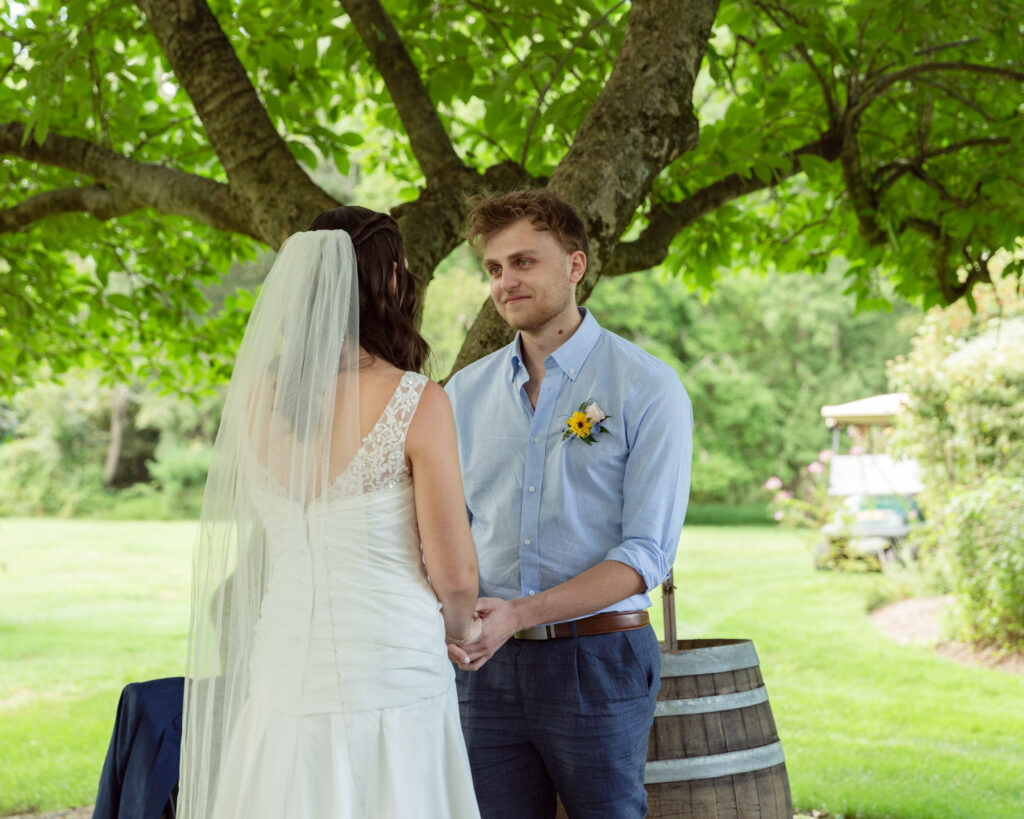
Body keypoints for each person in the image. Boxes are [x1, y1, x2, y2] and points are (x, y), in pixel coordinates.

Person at [178, 206, 482, 818]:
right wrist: (461, 632)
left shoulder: (257, 398)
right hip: (392, 661)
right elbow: (455, 576)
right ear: (386, 280)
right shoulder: (416, 399)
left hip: (286, 656)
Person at [445, 190, 693, 818]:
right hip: (483, 669)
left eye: (524, 262)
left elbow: (645, 557)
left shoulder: (646, 386)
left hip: (599, 661)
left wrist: (520, 613)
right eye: (495, 269)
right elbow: (447, 530)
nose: (506, 283)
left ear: (575, 266)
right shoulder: (463, 394)